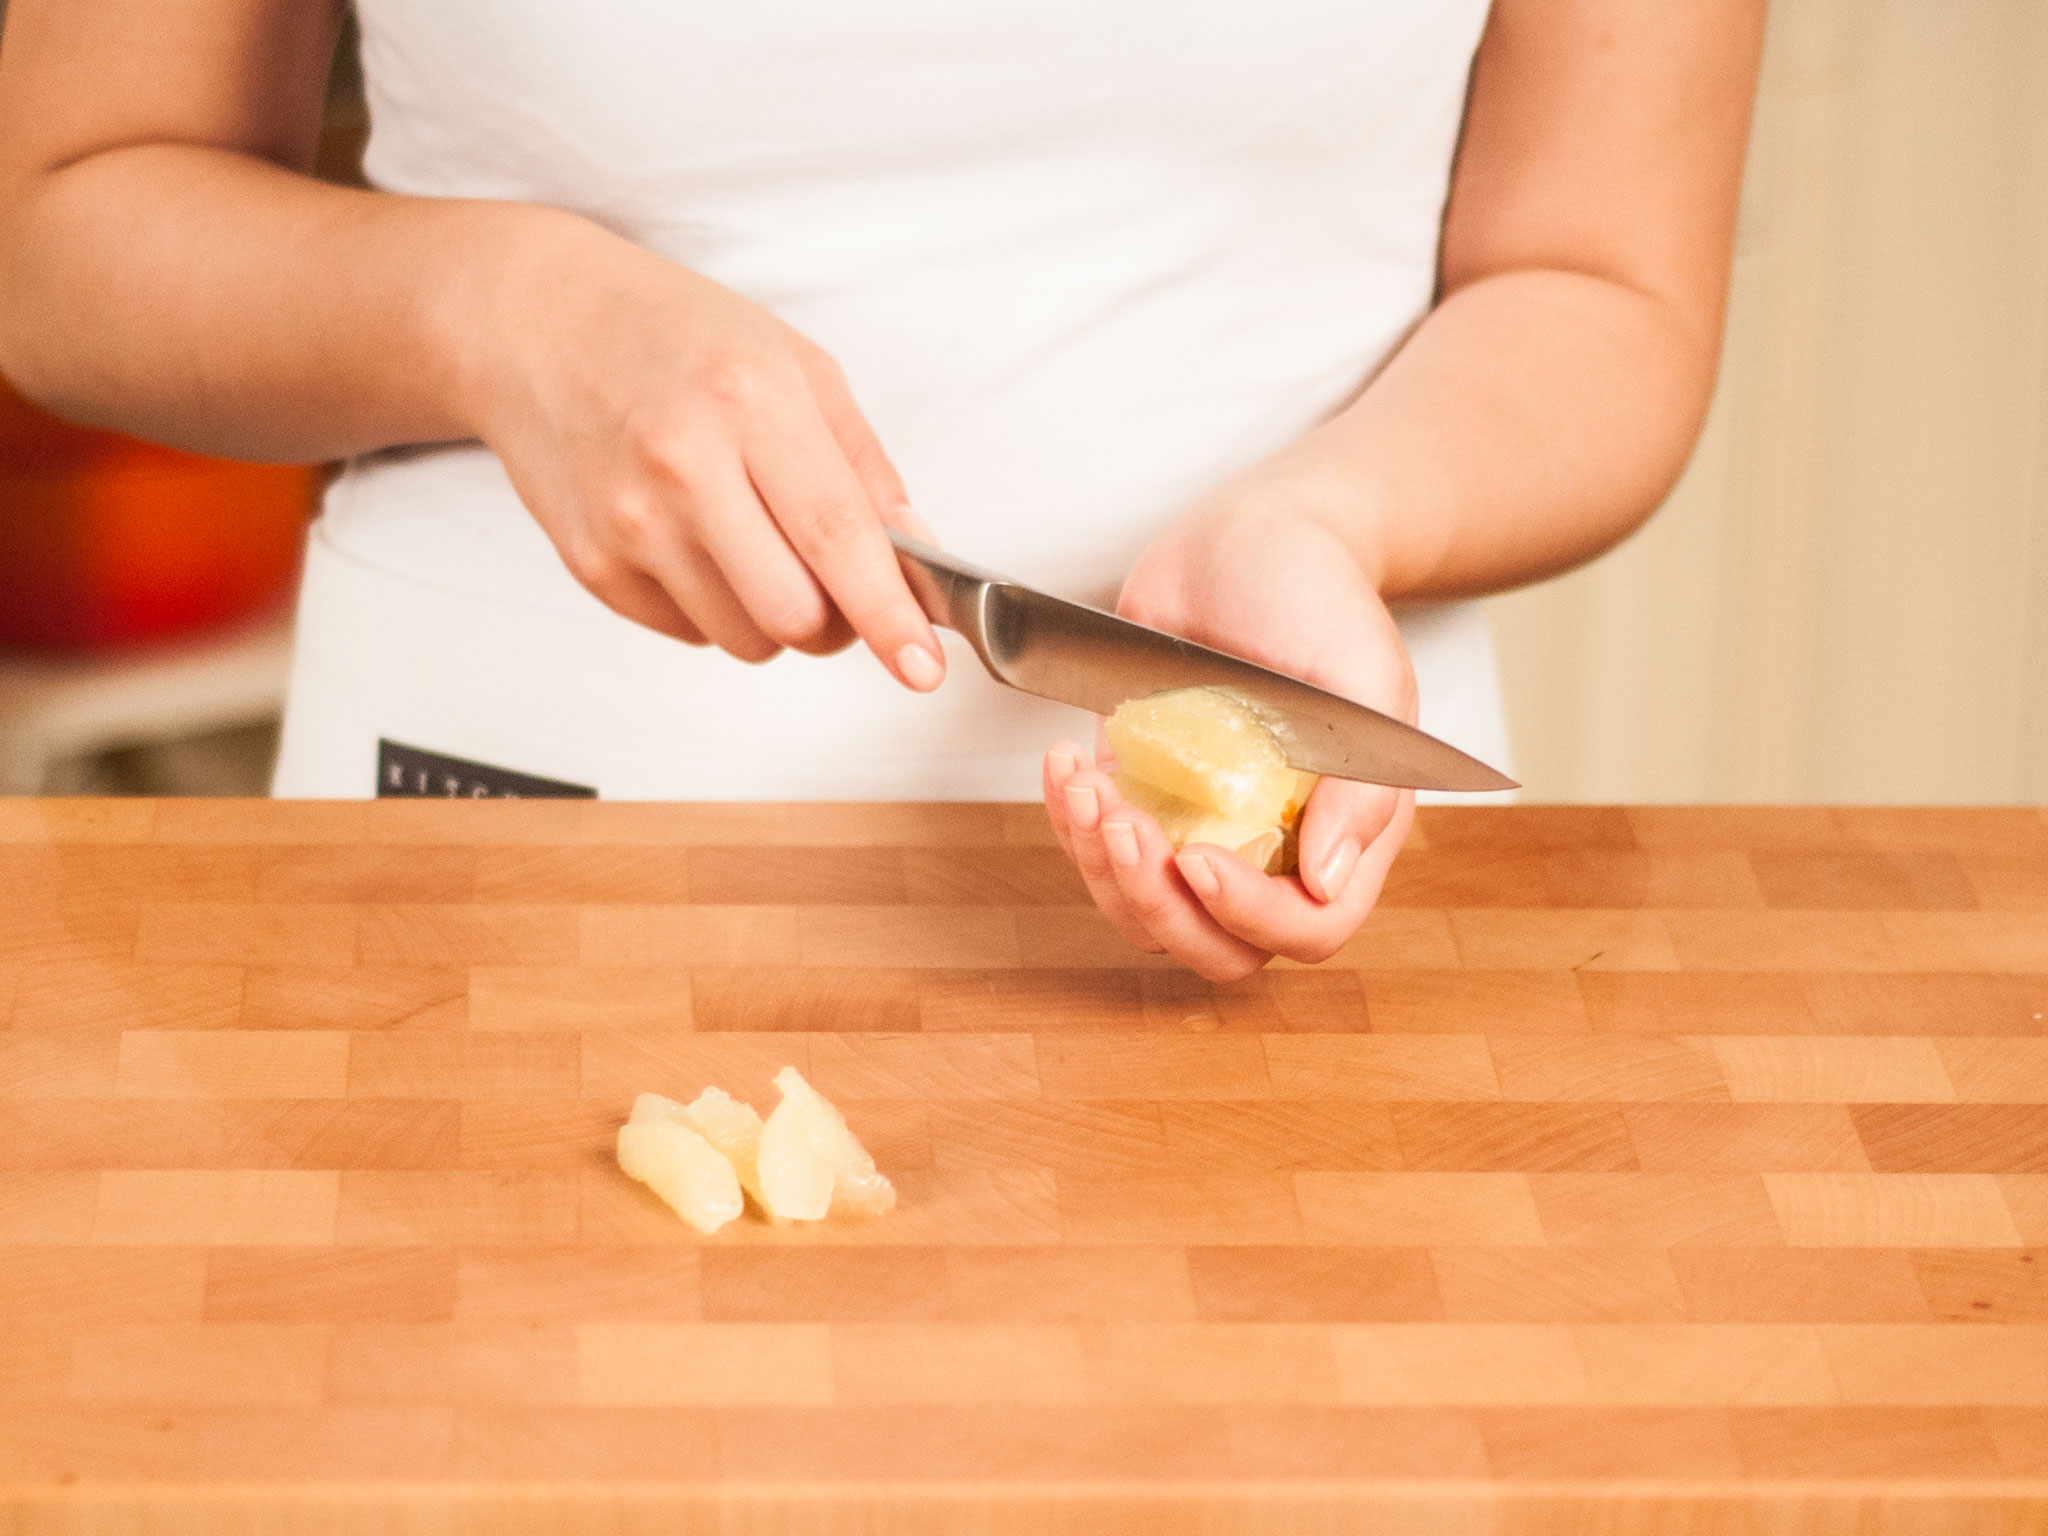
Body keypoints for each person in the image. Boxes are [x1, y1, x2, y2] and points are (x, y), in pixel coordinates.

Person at [0, 1, 1763, 980]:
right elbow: (56, 221)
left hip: (1317, 869)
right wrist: (506, 310)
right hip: (515, 880)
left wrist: (1334, 519)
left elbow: (1605, 279)